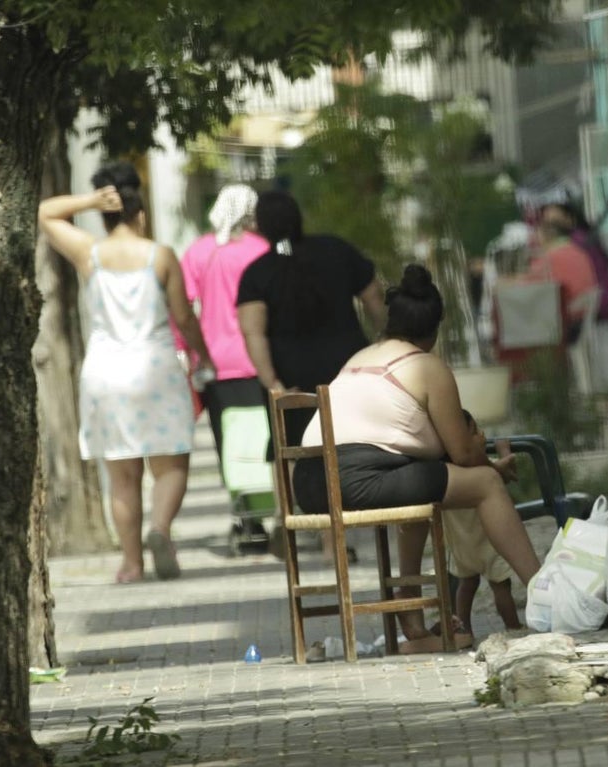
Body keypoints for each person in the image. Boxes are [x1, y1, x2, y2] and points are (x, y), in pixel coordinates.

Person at [292, 264, 541, 653]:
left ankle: (410, 614)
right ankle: (546, 592)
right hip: (358, 474)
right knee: (487, 486)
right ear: (435, 329)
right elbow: (461, 452)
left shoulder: (360, 356)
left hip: (309, 479)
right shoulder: (426, 366)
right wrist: (492, 469)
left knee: (420, 484)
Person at [38, 162, 214, 584]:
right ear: (142, 215)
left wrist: (89, 200)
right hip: (156, 366)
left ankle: (131, 565)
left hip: (105, 372)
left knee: (122, 477)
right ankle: (160, 529)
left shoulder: (89, 252)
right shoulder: (161, 256)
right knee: (171, 465)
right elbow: (184, 319)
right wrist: (203, 355)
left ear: (105, 213)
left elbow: (45, 213)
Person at [237, 190, 386, 449]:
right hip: (349, 367)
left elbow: (253, 333)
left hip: (293, 379)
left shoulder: (257, 274)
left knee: (297, 450)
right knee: (361, 442)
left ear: (260, 226)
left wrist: (273, 384)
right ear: (298, 216)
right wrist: (384, 343)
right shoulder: (336, 249)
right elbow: (374, 296)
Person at [179, 184, 270, 466]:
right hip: (261, 358)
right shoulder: (261, 250)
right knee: (266, 438)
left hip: (214, 363)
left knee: (229, 442)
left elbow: (181, 307)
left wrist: (185, 351)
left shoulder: (198, 251)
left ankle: (243, 504)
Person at [442, 411, 523, 637]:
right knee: (501, 586)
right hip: (489, 541)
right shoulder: (482, 471)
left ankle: (463, 628)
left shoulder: (448, 475)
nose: (482, 435)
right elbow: (507, 473)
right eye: (476, 431)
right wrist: (504, 450)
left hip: (461, 544)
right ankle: (513, 626)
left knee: (466, 584)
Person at [526, 206, 599, 344]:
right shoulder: (576, 250)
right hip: (581, 317)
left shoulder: (550, 257)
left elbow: (529, 284)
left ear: (545, 237)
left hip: (567, 323)